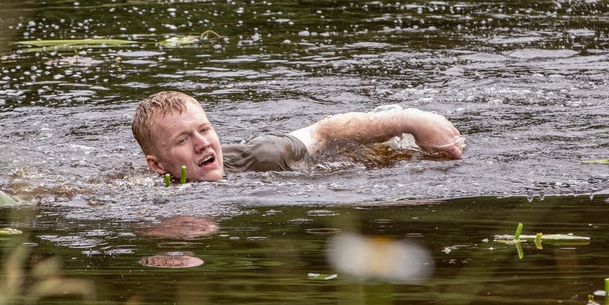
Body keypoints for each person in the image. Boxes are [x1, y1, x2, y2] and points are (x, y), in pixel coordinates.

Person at [131, 90, 465, 182]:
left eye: (204, 129)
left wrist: (411, 119)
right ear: (157, 165)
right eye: (182, 139)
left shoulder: (260, 156)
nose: (203, 143)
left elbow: (324, 131)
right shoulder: (137, 197)